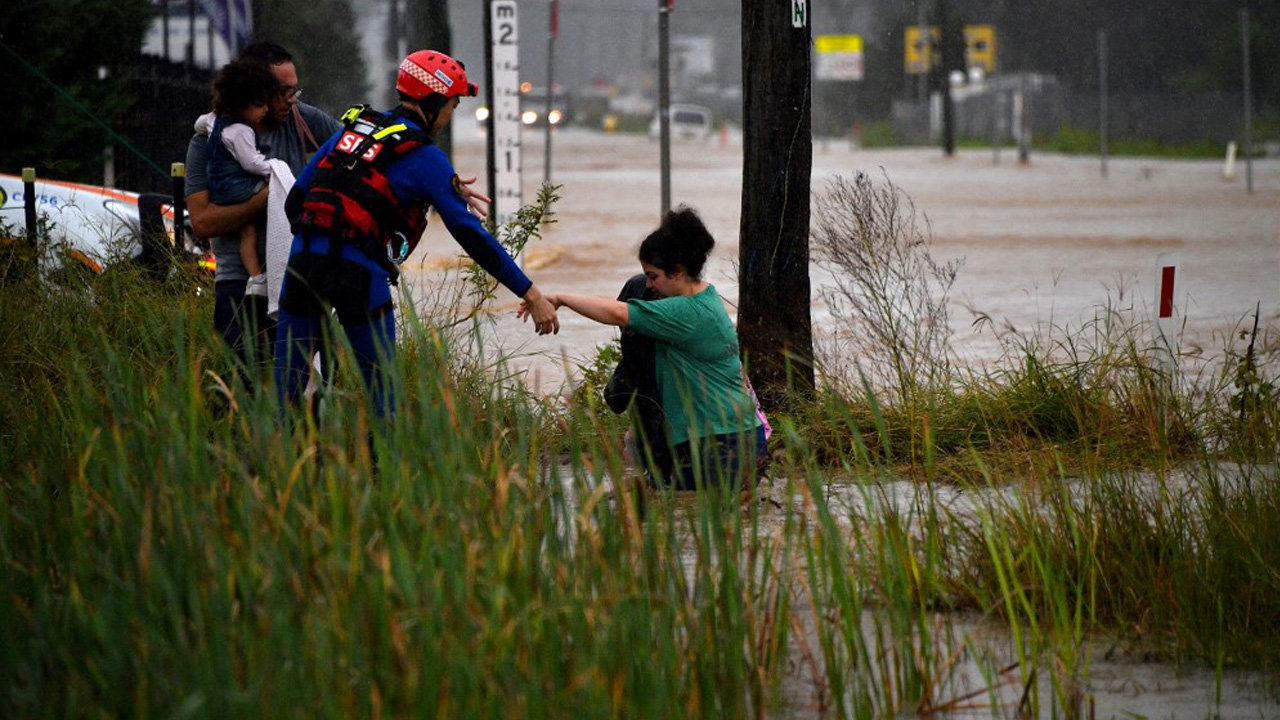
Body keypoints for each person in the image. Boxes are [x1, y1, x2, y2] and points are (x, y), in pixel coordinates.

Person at [274, 49, 559, 420]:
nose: (449, 115)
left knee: (285, 394)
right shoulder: (426, 157)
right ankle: (382, 475)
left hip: (302, 265)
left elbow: (295, 202)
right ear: (435, 100)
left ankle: (273, 472)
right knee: (383, 401)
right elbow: (471, 235)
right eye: (452, 106)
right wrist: (530, 293)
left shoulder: (354, 130)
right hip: (359, 276)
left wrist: (322, 248)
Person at [523, 207, 765, 491]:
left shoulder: (686, 312)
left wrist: (558, 297)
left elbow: (618, 313)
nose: (649, 285)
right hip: (739, 437)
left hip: (720, 444)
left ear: (677, 272)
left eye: (653, 276)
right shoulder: (705, 297)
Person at [184, 43, 344, 388]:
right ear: (257, 89)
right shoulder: (209, 141)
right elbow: (203, 222)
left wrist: (440, 182)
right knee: (238, 396)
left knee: (311, 396)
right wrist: (268, 199)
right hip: (237, 289)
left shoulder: (301, 119)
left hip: (300, 282)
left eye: (294, 89)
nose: (292, 99)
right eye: (283, 91)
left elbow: (358, 146)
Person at [195, 60, 278, 299]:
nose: (265, 110)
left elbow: (198, 124)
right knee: (274, 197)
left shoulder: (213, 120)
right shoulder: (241, 131)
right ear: (241, 105)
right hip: (237, 188)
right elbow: (250, 162)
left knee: (246, 233)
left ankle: (255, 277)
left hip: (219, 188)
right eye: (259, 104)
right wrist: (271, 169)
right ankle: (259, 276)